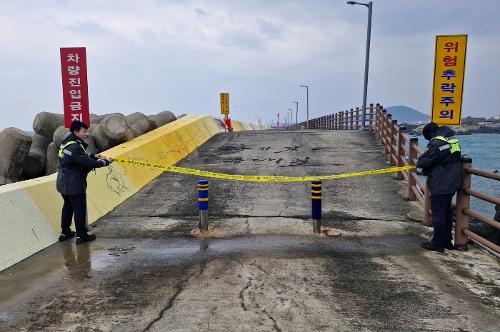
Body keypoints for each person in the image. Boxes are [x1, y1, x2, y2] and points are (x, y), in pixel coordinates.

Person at [56, 120, 111, 244]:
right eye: (84, 131)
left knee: (68, 207)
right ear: (76, 132)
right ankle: (81, 236)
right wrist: (104, 162)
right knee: (79, 209)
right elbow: (87, 163)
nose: (86, 134)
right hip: (74, 183)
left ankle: (65, 233)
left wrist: (91, 156)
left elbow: (77, 159)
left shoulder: (66, 142)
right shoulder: (75, 147)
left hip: (63, 181)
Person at [417, 122, 462, 252]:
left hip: (441, 182)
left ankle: (437, 244)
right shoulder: (452, 140)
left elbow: (422, 161)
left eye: (427, 136)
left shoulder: (436, 143)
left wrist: (423, 163)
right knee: (447, 213)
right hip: (453, 181)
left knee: (438, 214)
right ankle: (447, 241)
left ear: (431, 134)